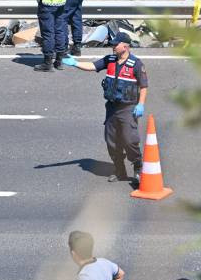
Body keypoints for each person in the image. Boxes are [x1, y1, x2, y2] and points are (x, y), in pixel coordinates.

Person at [61, 32, 148, 185]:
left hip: (128, 108)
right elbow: (93, 66)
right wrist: (75, 63)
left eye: (116, 44)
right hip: (112, 108)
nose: (113, 46)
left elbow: (144, 86)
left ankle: (138, 166)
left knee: (129, 139)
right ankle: (119, 170)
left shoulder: (136, 64)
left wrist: (140, 104)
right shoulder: (110, 60)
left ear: (125, 46)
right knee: (111, 141)